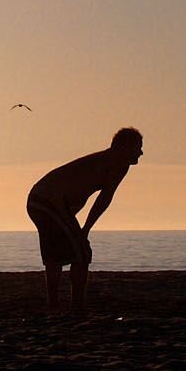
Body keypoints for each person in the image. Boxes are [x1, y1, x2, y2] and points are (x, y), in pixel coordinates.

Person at [26, 128, 143, 312]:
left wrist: (78, 224)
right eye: (138, 147)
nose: (141, 153)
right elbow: (104, 199)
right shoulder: (118, 163)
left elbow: (84, 192)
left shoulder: (105, 160)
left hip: (40, 200)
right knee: (81, 252)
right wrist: (85, 229)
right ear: (126, 147)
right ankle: (75, 305)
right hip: (49, 201)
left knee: (55, 253)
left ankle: (55, 305)